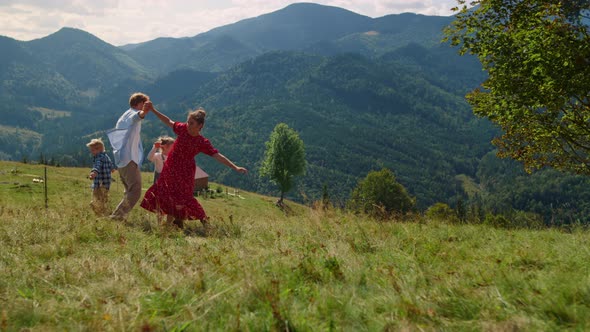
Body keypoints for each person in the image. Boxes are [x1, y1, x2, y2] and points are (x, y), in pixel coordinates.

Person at [140, 105, 247, 229]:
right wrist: (153, 110)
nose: (188, 125)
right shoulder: (182, 129)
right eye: (188, 122)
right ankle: (170, 225)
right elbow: (168, 121)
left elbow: (217, 156)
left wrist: (235, 167)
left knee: (185, 197)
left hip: (186, 172)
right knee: (168, 194)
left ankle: (204, 221)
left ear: (200, 126)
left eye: (191, 123)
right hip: (171, 167)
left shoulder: (202, 142)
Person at [106, 92, 151, 220]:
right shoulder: (132, 114)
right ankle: (116, 217)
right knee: (135, 191)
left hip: (121, 159)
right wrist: (144, 112)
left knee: (128, 191)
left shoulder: (124, 115)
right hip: (128, 159)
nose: (145, 106)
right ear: (138, 103)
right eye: (144, 103)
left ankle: (117, 216)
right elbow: (137, 116)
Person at [86, 138, 116, 217]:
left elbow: (97, 165)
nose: (91, 152)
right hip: (106, 183)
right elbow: (110, 163)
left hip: (99, 182)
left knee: (96, 196)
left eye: (92, 150)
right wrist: (112, 168)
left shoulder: (98, 157)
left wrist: (94, 172)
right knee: (104, 198)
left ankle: (95, 207)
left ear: (99, 149)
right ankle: (102, 211)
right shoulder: (106, 156)